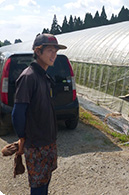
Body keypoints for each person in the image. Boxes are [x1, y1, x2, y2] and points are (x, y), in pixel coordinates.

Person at [12, 33, 67, 195]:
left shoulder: (43, 76)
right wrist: (23, 138)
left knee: (45, 180)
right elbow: (17, 113)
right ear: (38, 51)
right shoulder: (29, 77)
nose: (54, 55)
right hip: (36, 144)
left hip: (48, 141)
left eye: (55, 51)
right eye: (50, 50)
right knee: (38, 186)